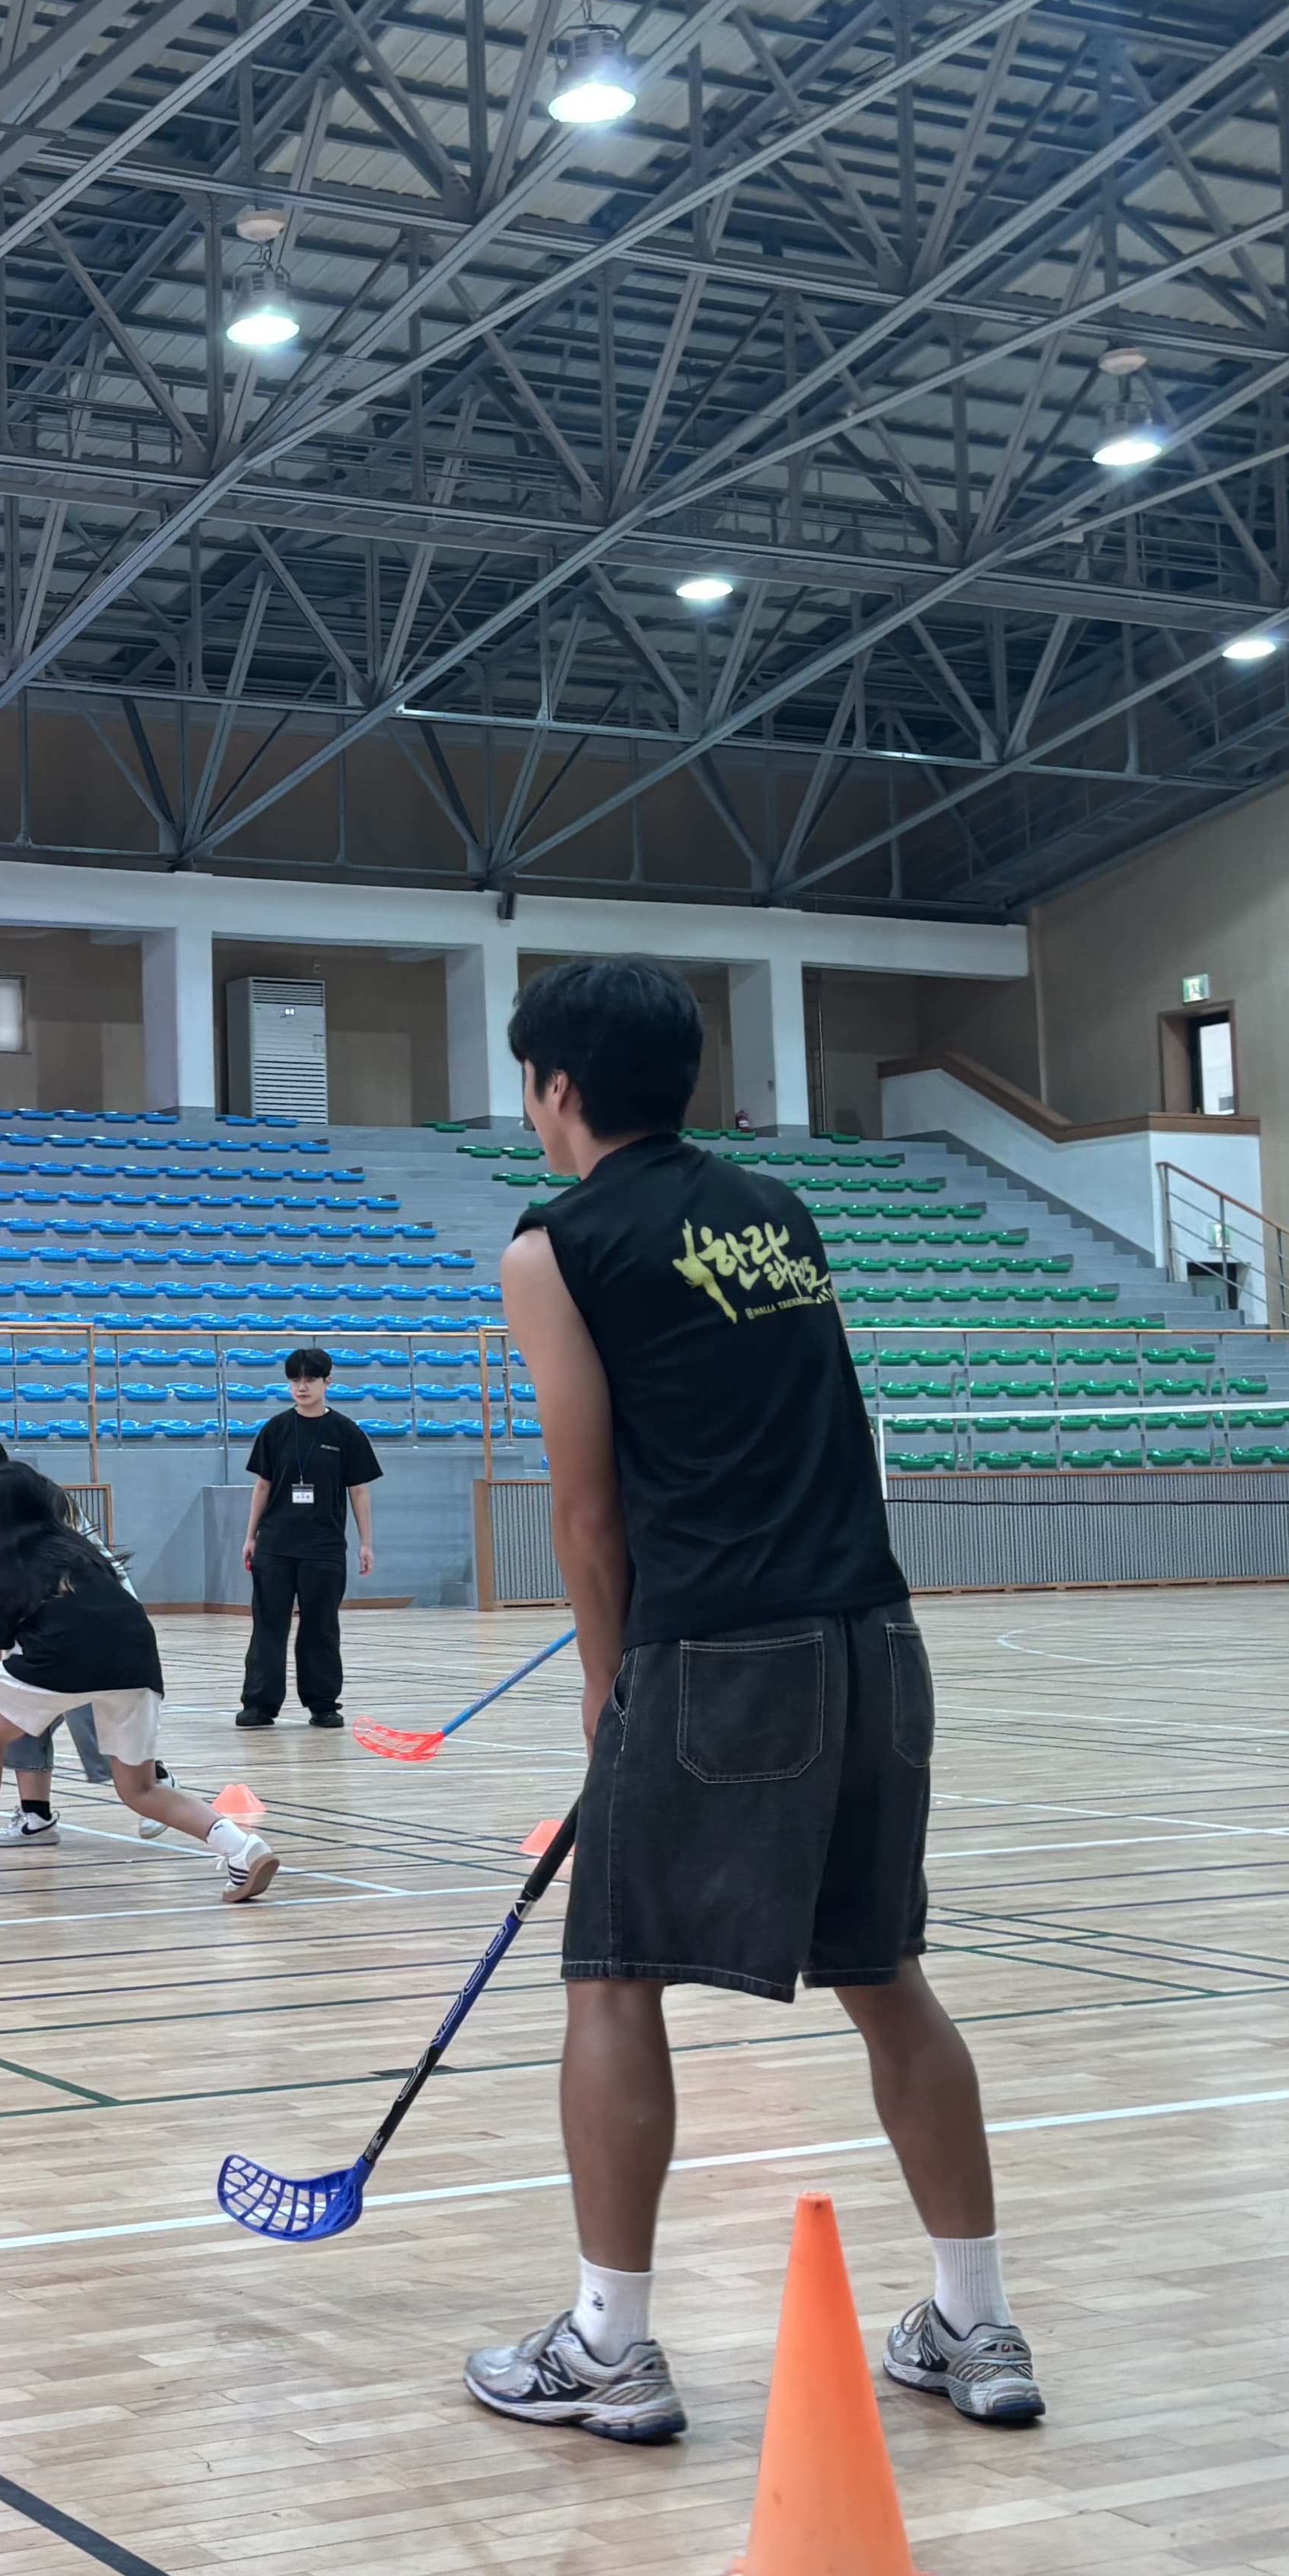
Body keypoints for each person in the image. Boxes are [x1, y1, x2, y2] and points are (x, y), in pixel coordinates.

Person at [467, 957, 1039, 2444]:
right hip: (871, 1638)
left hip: (715, 1655)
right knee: (884, 1973)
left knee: (611, 1979)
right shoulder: (777, 1213)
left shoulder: (556, 1241)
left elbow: (586, 1516)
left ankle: (607, 2345)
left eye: (529, 1084)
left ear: (559, 1088)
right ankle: (976, 2325)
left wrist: (610, 1687)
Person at [0, 1463, 278, 1900]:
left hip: (64, 1657)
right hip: (136, 1657)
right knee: (140, 1788)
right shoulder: (82, 1551)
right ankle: (242, 1848)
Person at [0, 1429, 179, 1845]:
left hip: (90, 1638)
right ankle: (35, 1816)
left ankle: (152, 1779)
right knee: (14, 1714)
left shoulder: (48, 1512)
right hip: (39, 1640)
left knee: (96, 1730)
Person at [236, 1347, 381, 1728]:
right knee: (268, 1625)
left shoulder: (346, 1432)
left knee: (321, 1626)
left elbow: (360, 1491)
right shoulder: (275, 1429)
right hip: (276, 1546)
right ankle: (260, 1703)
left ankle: (323, 1703)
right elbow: (262, 1486)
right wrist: (250, 1537)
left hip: (324, 1548)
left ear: (327, 1382)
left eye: (310, 1379)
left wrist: (366, 1543)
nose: (302, 1387)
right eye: (295, 1380)